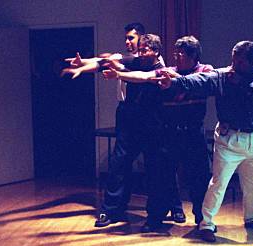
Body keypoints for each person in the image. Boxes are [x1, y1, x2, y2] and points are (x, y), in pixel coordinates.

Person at [62, 24, 186, 227]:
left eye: (140, 45)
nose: (136, 48)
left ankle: (162, 213)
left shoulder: (160, 67)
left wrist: (119, 73)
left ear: (153, 50)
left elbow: (142, 77)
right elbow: (105, 61)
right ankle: (112, 210)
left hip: (153, 121)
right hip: (130, 119)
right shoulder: (135, 59)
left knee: (157, 168)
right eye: (136, 45)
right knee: (119, 163)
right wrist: (83, 64)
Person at [158, 40, 253, 242]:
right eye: (233, 61)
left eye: (240, 63)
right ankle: (206, 224)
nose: (234, 66)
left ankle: (252, 217)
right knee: (218, 183)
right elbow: (199, 81)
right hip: (229, 137)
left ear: (251, 62)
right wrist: (174, 82)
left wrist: (241, 83)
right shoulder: (222, 76)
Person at [104, 36, 213, 228]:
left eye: (181, 54)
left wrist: (178, 81)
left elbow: (203, 83)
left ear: (193, 55)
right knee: (160, 178)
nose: (177, 57)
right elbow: (144, 76)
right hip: (169, 134)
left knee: (199, 179)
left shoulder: (205, 70)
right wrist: (119, 75)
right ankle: (155, 218)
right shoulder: (167, 71)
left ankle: (203, 221)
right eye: (176, 53)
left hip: (193, 134)